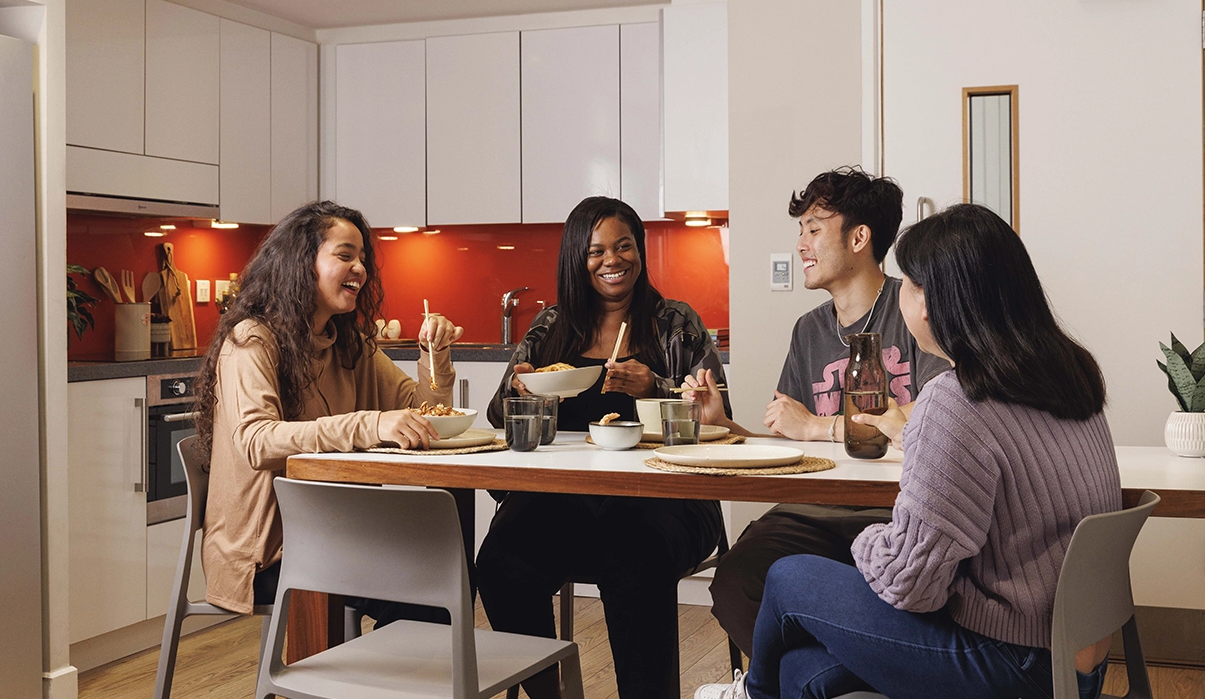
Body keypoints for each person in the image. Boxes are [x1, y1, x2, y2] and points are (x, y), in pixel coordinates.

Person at [694, 202, 1121, 699]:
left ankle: (752, 695)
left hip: (1009, 662)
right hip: (1074, 664)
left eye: (909, 284)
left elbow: (909, 585)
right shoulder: (1071, 375)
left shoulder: (958, 400)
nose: (901, 295)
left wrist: (870, 542)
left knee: (790, 576)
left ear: (935, 301)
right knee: (800, 673)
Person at [687, 166, 950, 657]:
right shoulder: (807, 330)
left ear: (859, 237)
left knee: (898, 597)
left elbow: (939, 417)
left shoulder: (915, 307)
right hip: (811, 511)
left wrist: (819, 426)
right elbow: (791, 448)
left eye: (813, 228)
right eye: (800, 231)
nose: (801, 244)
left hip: (895, 513)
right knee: (736, 582)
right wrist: (724, 427)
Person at [477, 196, 727, 699]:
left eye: (624, 246)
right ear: (576, 258)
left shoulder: (676, 323)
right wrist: (523, 395)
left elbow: (716, 425)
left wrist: (656, 385)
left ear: (639, 251)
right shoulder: (549, 330)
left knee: (631, 556)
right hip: (562, 502)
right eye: (595, 251)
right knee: (499, 563)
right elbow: (497, 417)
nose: (612, 260)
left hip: (665, 503)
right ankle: (552, 693)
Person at [195, 200, 464, 621]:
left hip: (335, 533)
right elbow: (256, 441)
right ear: (302, 262)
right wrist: (370, 424)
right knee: (427, 593)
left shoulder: (347, 342)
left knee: (450, 574)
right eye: (345, 255)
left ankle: (379, 682)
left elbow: (425, 412)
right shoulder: (251, 340)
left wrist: (437, 353)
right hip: (269, 552)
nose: (361, 268)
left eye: (363, 258)